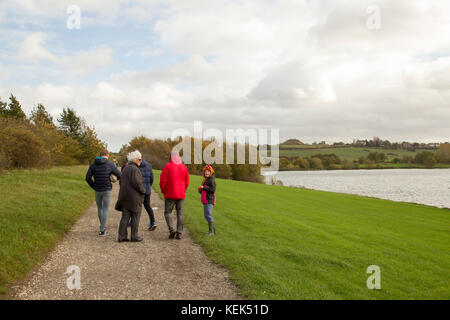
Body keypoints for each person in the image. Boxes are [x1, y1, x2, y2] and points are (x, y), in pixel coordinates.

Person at [86, 149, 122, 236]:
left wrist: (94, 186)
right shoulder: (110, 164)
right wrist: (114, 179)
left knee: (99, 208)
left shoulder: (93, 165)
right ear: (107, 155)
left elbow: (87, 178)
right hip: (107, 189)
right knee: (105, 209)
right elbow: (120, 175)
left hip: (97, 189)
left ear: (100, 154)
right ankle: (102, 230)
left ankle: (102, 226)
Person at [116, 150, 146, 242]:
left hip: (125, 197)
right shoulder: (135, 169)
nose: (141, 161)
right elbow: (137, 183)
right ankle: (134, 236)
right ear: (135, 160)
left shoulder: (126, 168)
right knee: (136, 217)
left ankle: (122, 236)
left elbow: (121, 182)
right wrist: (143, 191)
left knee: (125, 217)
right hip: (134, 198)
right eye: (140, 159)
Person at [160, 151, 189, 240]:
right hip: (180, 194)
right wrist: (183, 190)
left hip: (170, 193)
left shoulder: (168, 166)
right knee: (180, 213)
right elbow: (187, 182)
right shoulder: (184, 167)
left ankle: (171, 229)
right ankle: (179, 232)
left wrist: (163, 191)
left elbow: (163, 181)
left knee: (167, 212)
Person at [139, 158, 157, 230]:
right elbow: (151, 178)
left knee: (136, 206)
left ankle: (133, 222)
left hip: (139, 190)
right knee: (148, 206)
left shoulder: (136, 165)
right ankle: (153, 222)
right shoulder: (148, 165)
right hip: (147, 189)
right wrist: (148, 186)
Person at [198, 165, 216, 236]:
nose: (207, 173)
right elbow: (205, 190)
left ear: (211, 172)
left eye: (208, 171)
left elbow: (212, 190)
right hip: (206, 200)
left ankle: (211, 232)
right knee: (206, 215)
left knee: (208, 215)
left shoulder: (211, 180)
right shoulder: (206, 180)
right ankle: (212, 231)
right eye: (205, 171)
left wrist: (204, 187)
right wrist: (200, 190)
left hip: (209, 200)